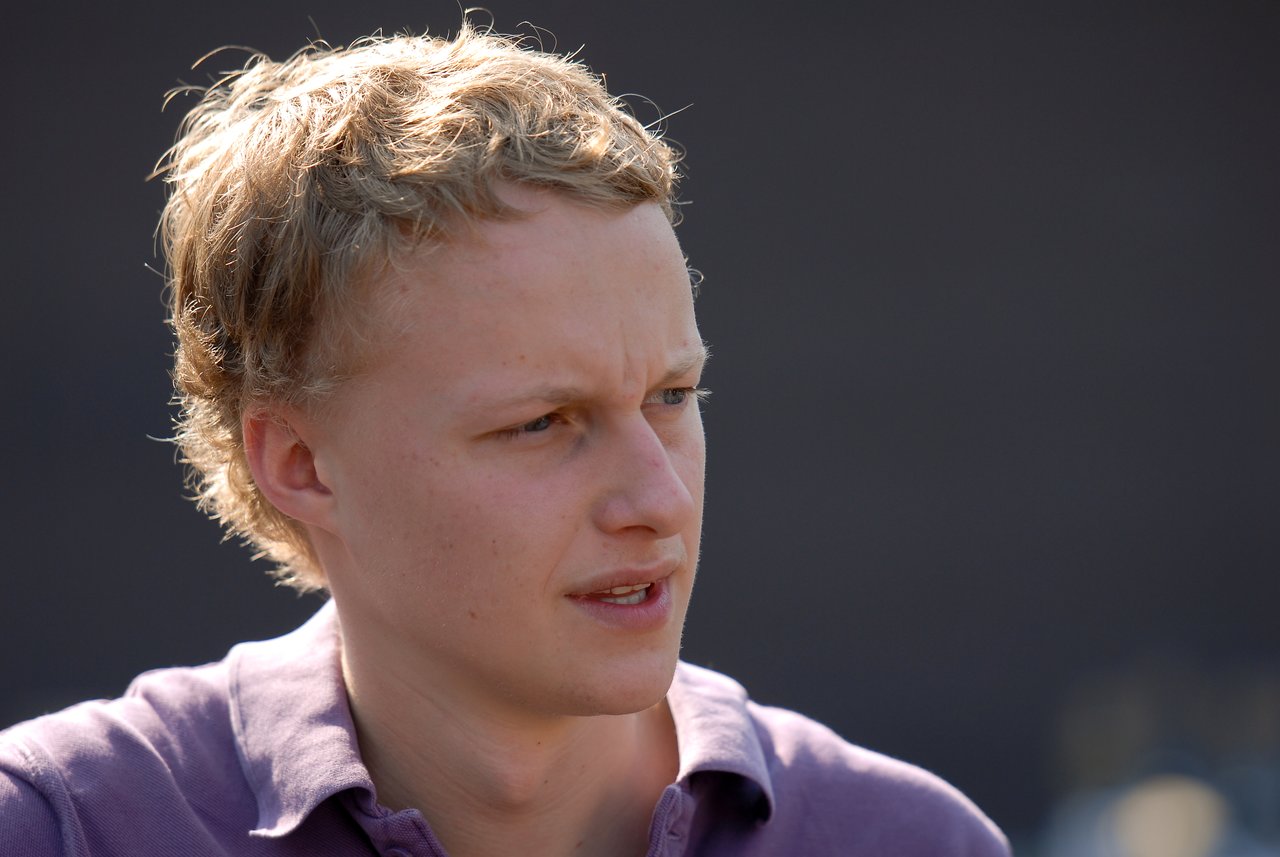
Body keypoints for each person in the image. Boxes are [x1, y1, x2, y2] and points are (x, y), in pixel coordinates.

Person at [0, 22, 1010, 857]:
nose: (657, 498)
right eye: (542, 422)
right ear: (300, 463)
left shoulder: (904, 837)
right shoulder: (68, 824)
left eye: (670, 394)